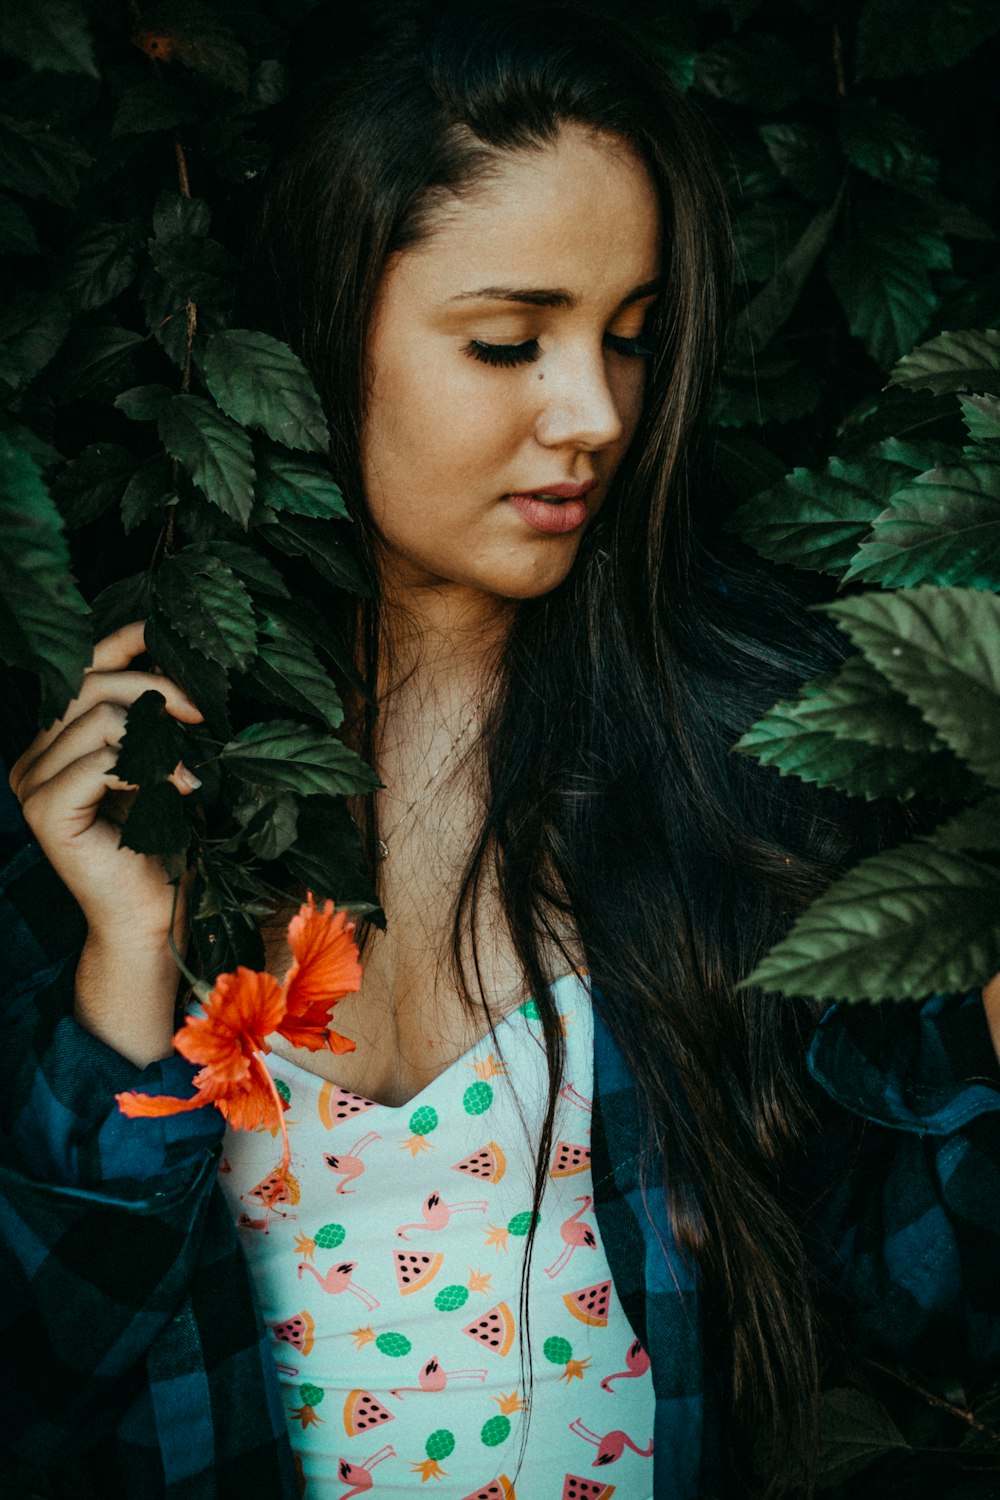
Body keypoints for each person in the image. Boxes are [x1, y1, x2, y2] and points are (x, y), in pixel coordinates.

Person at [2, 3, 1000, 1497]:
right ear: (320, 332)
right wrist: (127, 969)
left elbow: (933, 1288)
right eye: (506, 341)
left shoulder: (741, 758)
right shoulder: (114, 790)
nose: (595, 412)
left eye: (632, 338)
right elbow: (34, 1390)